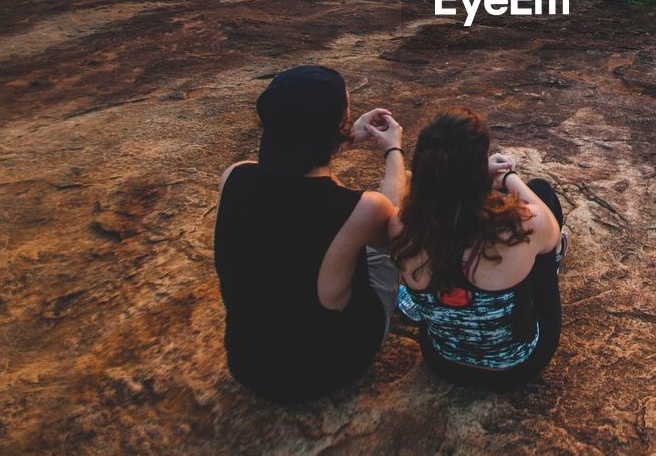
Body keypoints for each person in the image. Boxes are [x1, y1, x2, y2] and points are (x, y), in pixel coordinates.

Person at [213, 64, 407, 403]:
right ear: (337, 127)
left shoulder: (234, 176)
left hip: (246, 365)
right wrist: (394, 150)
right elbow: (393, 225)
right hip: (324, 370)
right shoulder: (360, 208)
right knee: (382, 246)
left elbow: (293, 175)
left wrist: (343, 139)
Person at [389, 108, 568, 390]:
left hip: (442, 361)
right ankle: (545, 267)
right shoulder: (518, 227)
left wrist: (394, 149)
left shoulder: (398, 226)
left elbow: (414, 201)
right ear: (477, 167)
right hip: (517, 367)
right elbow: (551, 228)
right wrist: (509, 178)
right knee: (541, 192)